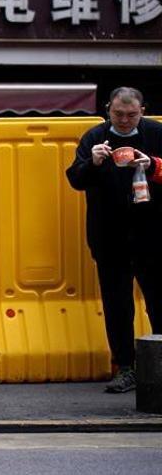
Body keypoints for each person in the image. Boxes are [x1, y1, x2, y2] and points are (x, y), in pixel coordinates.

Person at [66, 86, 162, 393]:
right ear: (108, 109)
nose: (124, 120)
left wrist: (154, 165)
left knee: (159, 300)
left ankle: (158, 365)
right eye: (118, 114)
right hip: (109, 236)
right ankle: (125, 368)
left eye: (131, 114)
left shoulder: (156, 133)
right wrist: (92, 163)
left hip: (152, 234)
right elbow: (75, 179)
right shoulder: (94, 138)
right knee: (117, 304)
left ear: (142, 111)